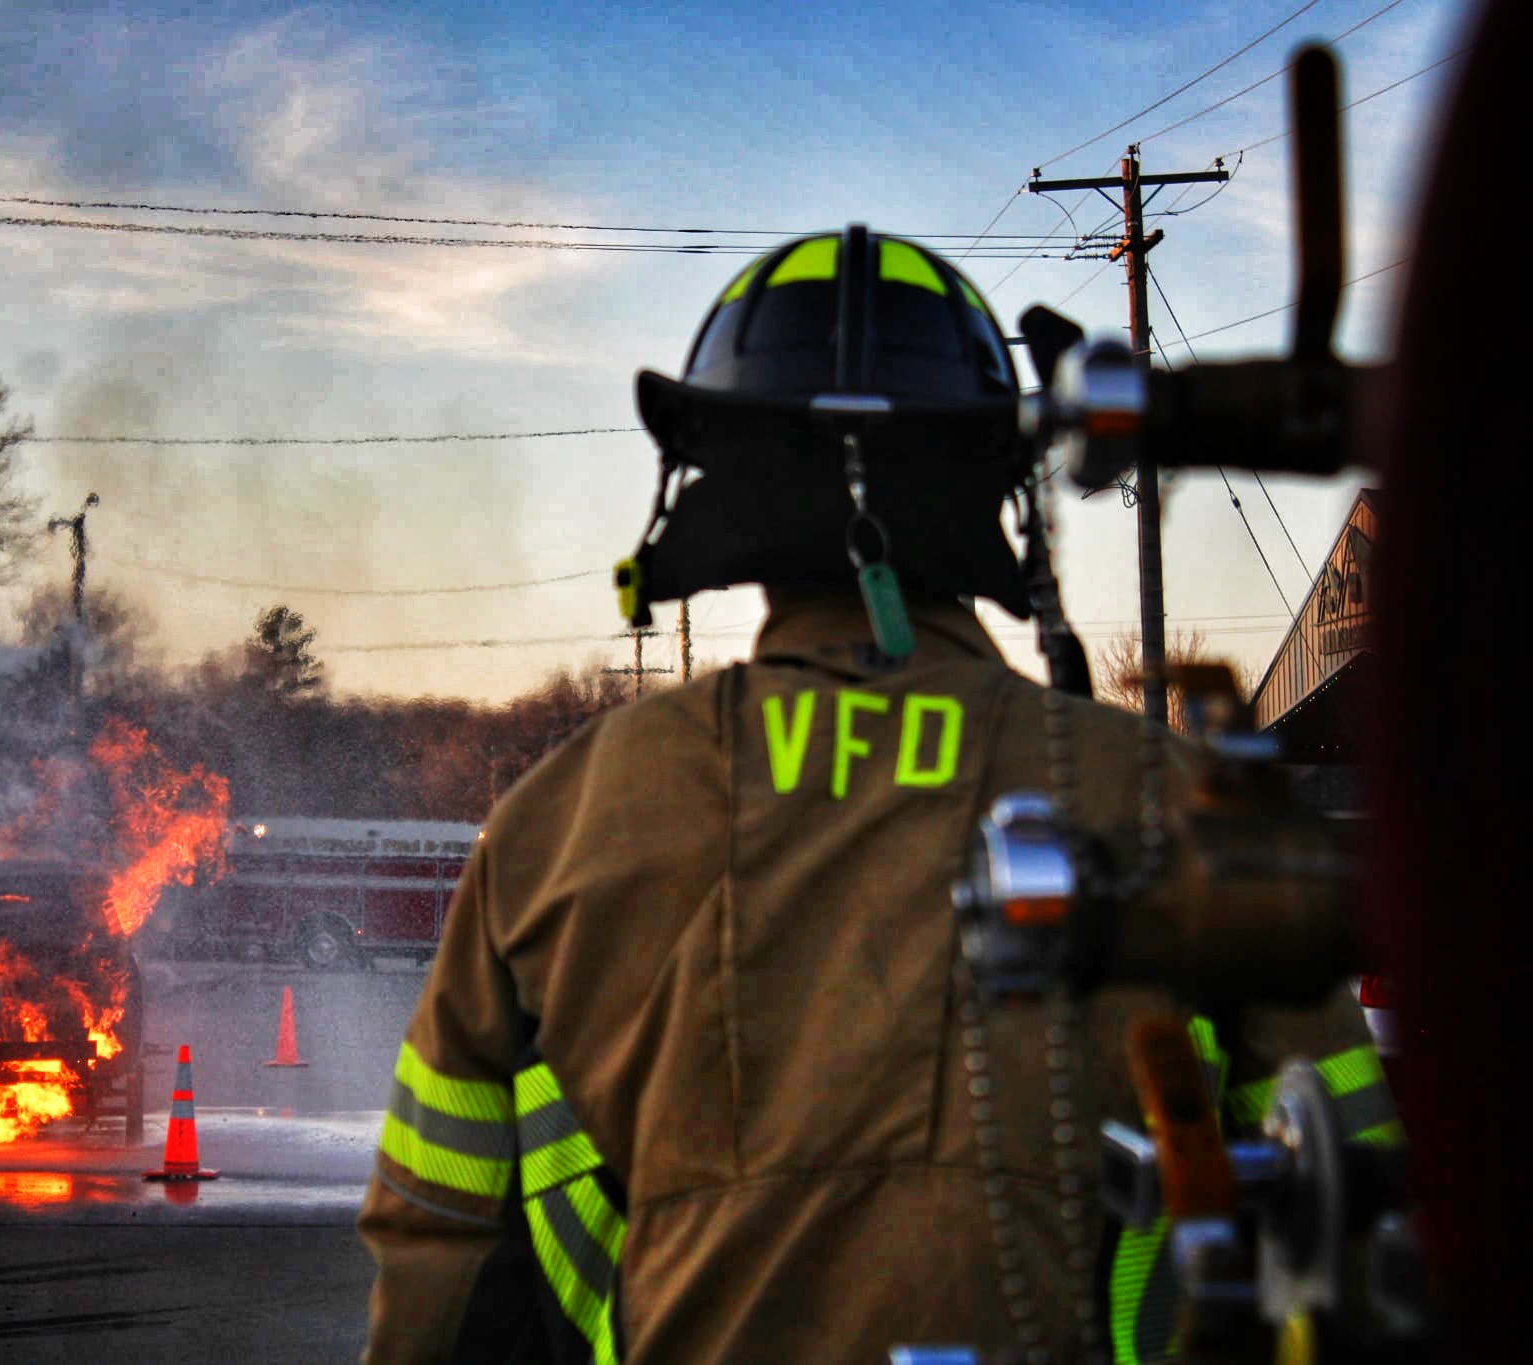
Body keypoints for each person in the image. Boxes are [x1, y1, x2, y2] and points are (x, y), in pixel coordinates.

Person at [357, 228, 1390, 1363]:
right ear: (995, 485)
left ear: (720, 481)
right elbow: (1352, 1203)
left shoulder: (554, 826)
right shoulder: (1185, 807)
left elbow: (438, 1241)